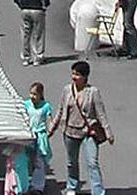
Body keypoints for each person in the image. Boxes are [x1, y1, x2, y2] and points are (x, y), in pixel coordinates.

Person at [48, 61, 113, 195]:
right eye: (73, 74)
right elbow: (60, 110)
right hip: (70, 132)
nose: (74, 77)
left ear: (85, 76)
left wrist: (108, 132)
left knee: (92, 163)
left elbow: (101, 114)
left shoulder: (93, 92)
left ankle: (98, 191)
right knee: (72, 162)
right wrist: (52, 128)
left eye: (77, 74)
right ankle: (72, 186)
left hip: (88, 132)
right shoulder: (67, 90)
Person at [14, 0, 50, 66]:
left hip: (24, 9)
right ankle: (38, 57)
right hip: (37, 9)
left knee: (25, 34)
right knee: (38, 34)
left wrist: (21, 6)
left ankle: (26, 57)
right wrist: (45, 6)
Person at [24, 83, 54, 193]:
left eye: (35, 94)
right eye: (31, 93)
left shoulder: (46, 106)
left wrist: (50, 130)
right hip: (28, 135)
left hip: (40, 135)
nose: (32, 96)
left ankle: (37, 187)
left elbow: (50, 119)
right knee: (26, 159)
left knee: (39, 161)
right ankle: (25, 183)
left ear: (40, 94)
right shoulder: (26, 104)